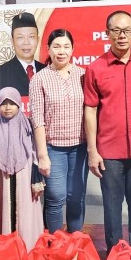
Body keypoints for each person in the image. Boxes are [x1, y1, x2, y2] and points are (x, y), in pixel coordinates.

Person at [84, 10, 131, 254]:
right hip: (109, 153)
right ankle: (115, 254)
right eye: (116, 31)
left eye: (127, 31)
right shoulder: (96, 68)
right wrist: (93, 151)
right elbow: (90, 110)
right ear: (107, 34)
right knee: (112, 207)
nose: (122, 36)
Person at [29, 29, 88, 233]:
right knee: (55, 196)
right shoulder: (39, 78)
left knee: (76, 197)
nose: (61, 51)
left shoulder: (83, 75)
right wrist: (42, 155)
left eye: (66, 46)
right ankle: (55, 246)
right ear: (48, 49)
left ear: (72, 49)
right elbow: (37, 120)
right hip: (53, 148)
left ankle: (75, 244)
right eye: (56, 46)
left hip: (80, 147)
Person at [0, 87, 45, 250]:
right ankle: (6, 251)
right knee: (5, 213)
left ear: (19, 104)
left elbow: (35, 156)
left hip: (25, 180)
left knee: (26, 215)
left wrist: (36, 181)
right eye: (3, 103)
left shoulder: (27, 127)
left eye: (12, 103)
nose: (8, 107)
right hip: (1, 180)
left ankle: (27, 249)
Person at [0, 12, 46, 97]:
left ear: (38, 40)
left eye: (31, 37)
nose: (26, 42)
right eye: (20, 37)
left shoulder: (47, 71)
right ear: (12, 41)